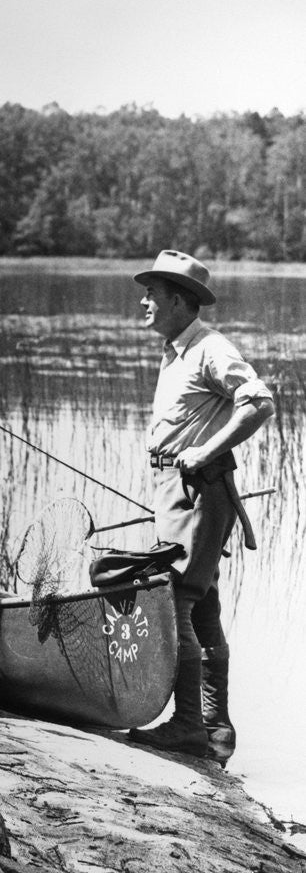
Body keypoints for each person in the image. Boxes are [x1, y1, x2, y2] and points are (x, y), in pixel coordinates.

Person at [129, 250, 274, 763]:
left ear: (179, 300)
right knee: (203, 602)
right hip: (184, 488)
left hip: (195, 487)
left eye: (153, 293)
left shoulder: (210, 347)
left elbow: (259, 402)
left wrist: (202, 452)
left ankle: (189, 723)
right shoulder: (176, 351)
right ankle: (216, 728)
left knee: (178, 601)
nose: (144, 301)